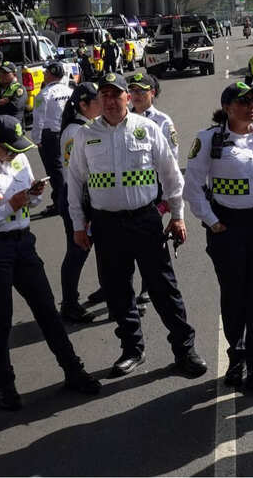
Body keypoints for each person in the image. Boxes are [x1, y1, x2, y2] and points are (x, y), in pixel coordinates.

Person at [66, 72, 207, 379]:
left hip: (145, 220)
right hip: (106, 226)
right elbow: (75, 183)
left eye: (116, 95)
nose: (110, 101)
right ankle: (132, 349)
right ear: (99, 100)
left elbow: (171, 176)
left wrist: (178, 215)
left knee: (164, 289)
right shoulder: (86, 134)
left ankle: (184, 350)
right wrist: (79, 225)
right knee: (118, 291)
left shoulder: (147, 129)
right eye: (104, 96)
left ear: (127, 98)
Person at [0, 114, 102, 410]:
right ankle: (4, 384)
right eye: (9, 148)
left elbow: (30, 201)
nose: (14, 153)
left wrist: (34, 195)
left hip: (23, 243)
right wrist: (11, 206)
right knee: (1, 320)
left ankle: (73, 370)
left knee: (48, 310)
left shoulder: (20, 160)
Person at [184, 82, 253, 392]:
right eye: (244, 102)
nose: (251, 106)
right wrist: (211, 221)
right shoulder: (209, 140)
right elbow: (192, 184)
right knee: (233, 294)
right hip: (227, 226)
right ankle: (237, 357)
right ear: (228, 107)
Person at [127, 71, 176, 309]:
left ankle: (149, 287)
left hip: (153, 191)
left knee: (152, 242)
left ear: (152, 93)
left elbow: (171, 163)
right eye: (133, 91)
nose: (136, 95)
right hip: (128, 192)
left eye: (141, 91)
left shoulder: (163, 121)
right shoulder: (121, 119)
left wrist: (167, 200)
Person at [58, 82, 103, 322]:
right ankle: (69, 303)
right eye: (98, 101)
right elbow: (75, 174)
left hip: (92, 198)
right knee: (78, 250)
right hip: (80, 200)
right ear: (84, 105)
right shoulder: (74, 132)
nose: (103, 104)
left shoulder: (88, 126)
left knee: (99, 249)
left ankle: (107, 289)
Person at [31, 62, 72, 217]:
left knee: (55, 171)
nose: (44, 75)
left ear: (50, 74)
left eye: (45, 72)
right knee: (67, 168)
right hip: (67, 133)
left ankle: (60, 204)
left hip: (50, 136)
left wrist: (36, 138)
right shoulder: (69, 91)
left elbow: (38, 118)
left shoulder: (44, 94)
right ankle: (64, 200)